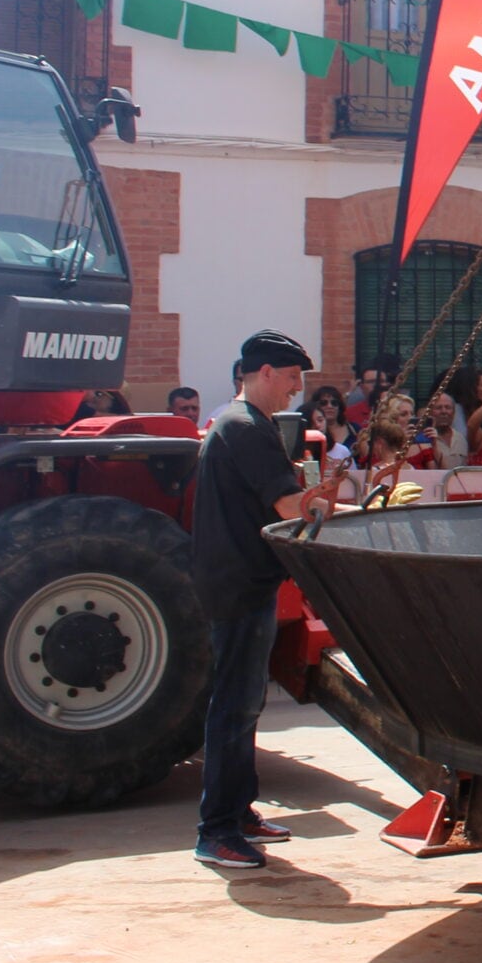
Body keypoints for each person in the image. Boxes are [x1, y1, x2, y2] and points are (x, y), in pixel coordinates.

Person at [190, 330, 340, 870]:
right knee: (233, 707)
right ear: (266, 373)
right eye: (293, 380)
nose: (295, 392)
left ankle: (239, 810)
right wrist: (343, 511)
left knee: (245, 703)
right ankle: (218, 829)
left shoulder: (235, 424)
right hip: (238, 586)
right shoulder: (247, 428)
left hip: (239, 581)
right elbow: (289, 507)